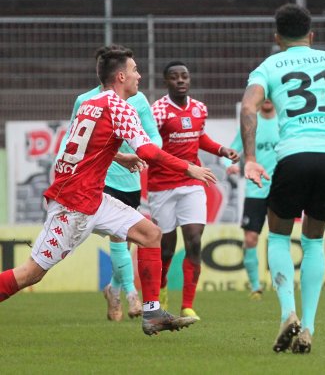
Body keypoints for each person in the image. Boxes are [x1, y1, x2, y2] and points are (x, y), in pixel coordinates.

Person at [0, 46, 217, 336]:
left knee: (150, 234)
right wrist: (188, 168)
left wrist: (120, 156)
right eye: (135, 70)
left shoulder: (91, 103)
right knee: (30, 274)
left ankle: (152, 314)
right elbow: (149, 151)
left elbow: (84, 148)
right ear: (120, 76)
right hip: (74, 203)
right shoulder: (121, 107)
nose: (139, 76)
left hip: (92, 195)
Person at [240, 3, 325, 353]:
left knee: (279, 236)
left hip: (294, 155)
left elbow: (249, 107)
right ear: (312, 35)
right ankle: (309, 327)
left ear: (277, 37)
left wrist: (251, 158)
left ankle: (288, 313)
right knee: (313, 241)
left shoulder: (268, 66)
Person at [56, 44, 163, 322]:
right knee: (119, 240)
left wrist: (145, 154)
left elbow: (154, 137)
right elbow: (72, 141)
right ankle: (131, 295)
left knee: (127, 243)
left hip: (131, 181)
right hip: (100, 180)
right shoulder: (86, 101)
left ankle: (112, 290)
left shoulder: (137, 101)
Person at [149, 61, 239, 321]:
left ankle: (188, 305)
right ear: (166, 81)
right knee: (166, 249)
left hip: (192, 183)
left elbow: (200, 138)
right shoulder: (158, 111)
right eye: (174, 77)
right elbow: (151, 147)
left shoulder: (199, 108)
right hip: (162, 185)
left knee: (195, 240)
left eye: (184, 76)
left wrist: (221, 150)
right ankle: (162, 290)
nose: (180, 81)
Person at [223, 99, 279, 300]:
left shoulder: (285, 122)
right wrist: (232, 164)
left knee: (278, 238)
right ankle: (256, 287)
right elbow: (230, 152)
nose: (267, 99)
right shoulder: (251, 124)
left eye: (270, 94)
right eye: (263, 95)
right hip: (255, 190)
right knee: (250, 238)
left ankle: (281, 283)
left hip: (280, 189)